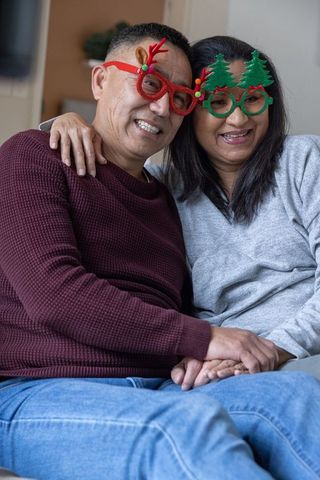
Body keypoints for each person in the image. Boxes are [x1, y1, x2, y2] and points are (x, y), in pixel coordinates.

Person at [1, 23, 320, 480]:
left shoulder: (168, 193)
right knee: (187, 427)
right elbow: (55, 294)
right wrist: (204, 340)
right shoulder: (33, 157)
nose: (160, 107)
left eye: (178, 98)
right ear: (100, 80)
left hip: (160, 385)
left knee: (295, 396)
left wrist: (230, 354)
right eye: (149, 83)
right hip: (43, 387)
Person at [48, 34, 320, 384]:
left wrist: (273, 348)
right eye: (217, 102)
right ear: (186, 110)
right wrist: (64, 124)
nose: (238, 120)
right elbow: (102, 174)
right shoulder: (162, 187)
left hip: (299, 353)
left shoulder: (304, 160)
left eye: (252, 99)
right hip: (214, 367)